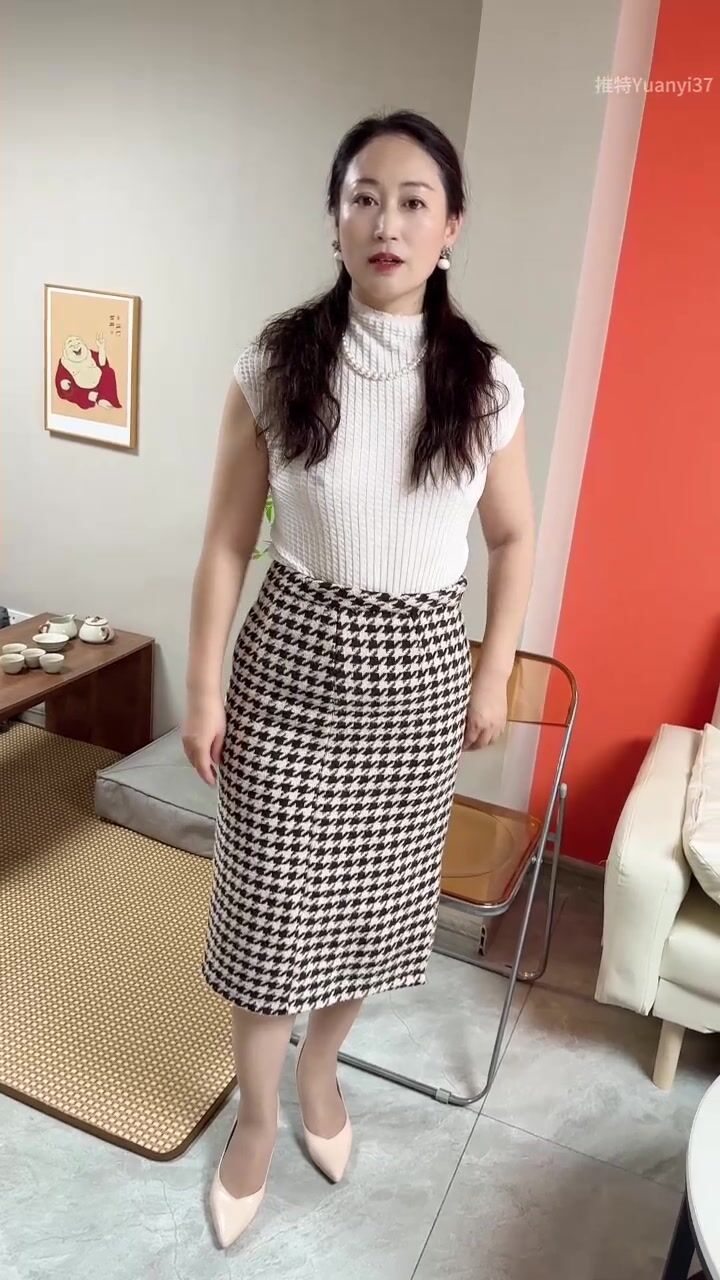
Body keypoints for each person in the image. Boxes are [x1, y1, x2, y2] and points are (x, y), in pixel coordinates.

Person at [182, 108, 535, 1249]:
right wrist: (202, 689)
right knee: (269, 915)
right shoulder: (276, 364)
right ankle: (254, 1123)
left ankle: (320, 1071)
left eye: (414, 201)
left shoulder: (486, 386)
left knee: (371, 914)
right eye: (364, 197)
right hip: (292, 661)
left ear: (451, 226)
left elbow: (513, 539)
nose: (388, 222)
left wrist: (494, 669)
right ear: (334, 219)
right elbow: (226, 543)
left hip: (420, 676)